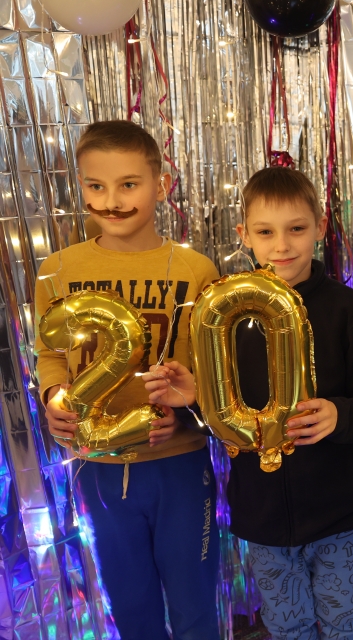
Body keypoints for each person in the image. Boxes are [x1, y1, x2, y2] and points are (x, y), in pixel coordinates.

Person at [145, 167, 353, 640]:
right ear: (245, 235)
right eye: (266, 232)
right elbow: (223, 418)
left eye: (296, 228)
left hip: (341, 510)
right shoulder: (228, 317)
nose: (282, 245)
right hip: (262, 513)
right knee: (286, 623)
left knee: (343, 621)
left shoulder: (349, 310)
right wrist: (194, 400)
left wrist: (341, 414)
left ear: (320, 226)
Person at [35, 120, 221, 639]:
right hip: (98, 468)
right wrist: (53, 396)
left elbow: (211, 373)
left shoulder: (195, 270)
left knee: (194, 605)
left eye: (128, 184)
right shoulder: (58, 269)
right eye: (96, 186)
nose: (111, 201)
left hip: (178, 464)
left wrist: (185, 414)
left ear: (161, 185)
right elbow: (50, 353)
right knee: (131, 605)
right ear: (80, 185)